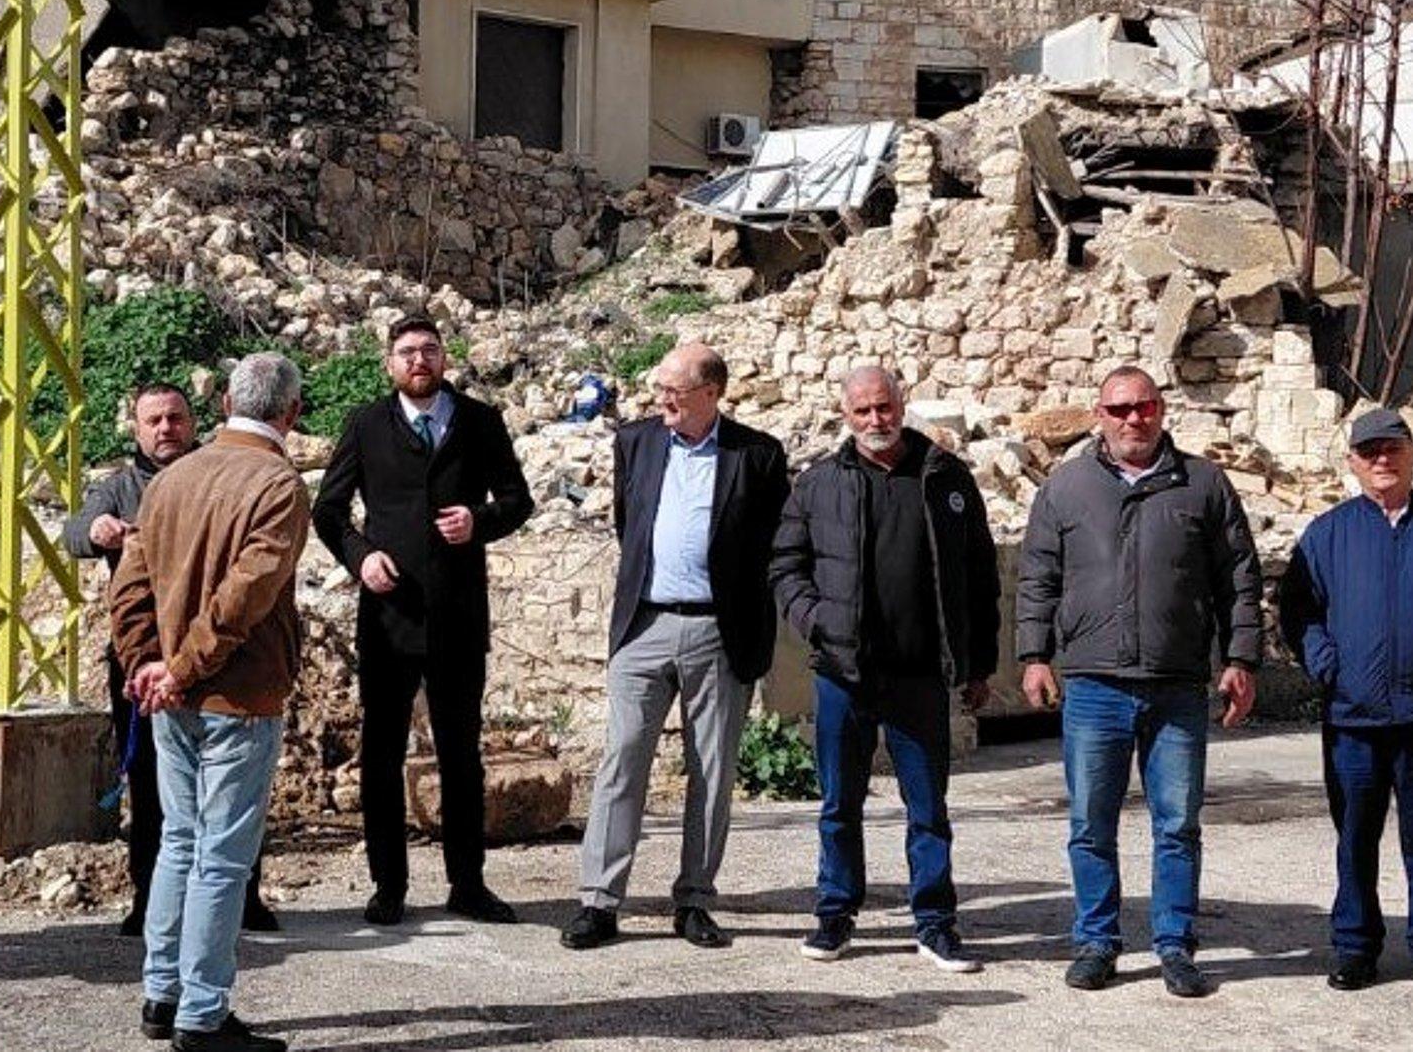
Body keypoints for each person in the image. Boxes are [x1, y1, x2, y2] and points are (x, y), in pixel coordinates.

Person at [1016, 364, 1262, 998]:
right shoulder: (1066, 488)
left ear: (1161, 410)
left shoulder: (1204, 484)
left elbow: (1238, 578)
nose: (1133, 419)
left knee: (1177, 824)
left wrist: (1241, 659)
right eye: (1120, 408)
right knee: (1091, 823)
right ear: (1098, 415)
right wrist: (1034, 656)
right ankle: (1097, 940)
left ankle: (1175, 944)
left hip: (1177, 684)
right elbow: (1037, 578)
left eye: (1144, 407)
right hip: (1094, 684)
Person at [561, 341, 790, 951]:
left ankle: (694, 901)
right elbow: (627, 525)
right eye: (659, 387)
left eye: (674, 390)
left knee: (711, 772)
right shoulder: (635, 442)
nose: (661, 398)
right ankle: (599, 901)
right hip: (644, 626)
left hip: (719, 631)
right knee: (622, 761)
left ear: (711, 394)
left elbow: (772, 546)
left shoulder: (759, 455)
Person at [769, 365, 999, 970]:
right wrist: (814, 619)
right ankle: (835, 914)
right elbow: (785, 564)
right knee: (839, 805)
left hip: (920, 676)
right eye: (864, 411)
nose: (877, 421)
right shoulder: (819, 483)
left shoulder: (945, 477)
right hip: (843, 674)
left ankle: (935, 922)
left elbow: (980, 576)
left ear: (902, 406)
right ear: (846, 415)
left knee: (928, 809)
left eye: (885, 408)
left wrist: (979, 666)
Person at [110, 353, 308, 1052]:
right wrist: (185, 666)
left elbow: (129, 585)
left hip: (173, 693)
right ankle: (202, 1011)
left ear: (225, 403)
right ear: (290, 412)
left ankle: (161, 994)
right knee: (221, 858)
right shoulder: (278, 483)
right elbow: (246, 595)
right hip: (236, 693)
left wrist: (146, 663)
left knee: (177, 844)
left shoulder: (173, 478)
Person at [314, 313, 533, 926]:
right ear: (389, 363)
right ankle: (389, 885)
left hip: (459, 615)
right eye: (407, 352)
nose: (419, 361)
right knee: (381, 753)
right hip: (389, 617)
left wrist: (479, 521)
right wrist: (361, 559)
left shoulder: (479, 421)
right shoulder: (365, 425)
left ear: (444, 359)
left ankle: (469, 883)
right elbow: (328, 511)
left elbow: (518, 500)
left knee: (461, 753)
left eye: (429, 350)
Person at [64, 382, 276, 936]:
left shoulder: (221, 474)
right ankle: (150, 898)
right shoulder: (120, 486)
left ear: (195, 421)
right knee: (149, 782)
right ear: (135, 428)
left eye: (176, 418)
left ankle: (243, 897)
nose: (166, 429)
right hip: (143, 658)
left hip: (217, 656)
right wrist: (97, 529)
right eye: (154, 420)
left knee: (231, 788)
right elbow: (73, 532)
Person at [1278, 406, 1413, 991]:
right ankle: (1355, 947)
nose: (1382, 459)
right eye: (1369, 451)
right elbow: (1299, 612)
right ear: (1353, 462)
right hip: (1353, 719)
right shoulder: (1328, 533)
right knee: (1355, 838)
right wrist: (1326, 664)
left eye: (1393, 448)